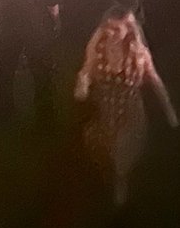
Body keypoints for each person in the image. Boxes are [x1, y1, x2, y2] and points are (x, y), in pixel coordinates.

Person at [75, 10, 177, 204]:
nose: (111, 33)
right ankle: (105, 182)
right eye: (108, 28)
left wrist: (169, 110)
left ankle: (119, 199)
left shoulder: (137, 53)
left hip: (129, 115)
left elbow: (155, 81)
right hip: (104, 112)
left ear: (128, 29)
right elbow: (86, 72)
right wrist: (83, 84)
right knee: (101, 152)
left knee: (121, 156)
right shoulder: (98, 48)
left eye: (117, 29)